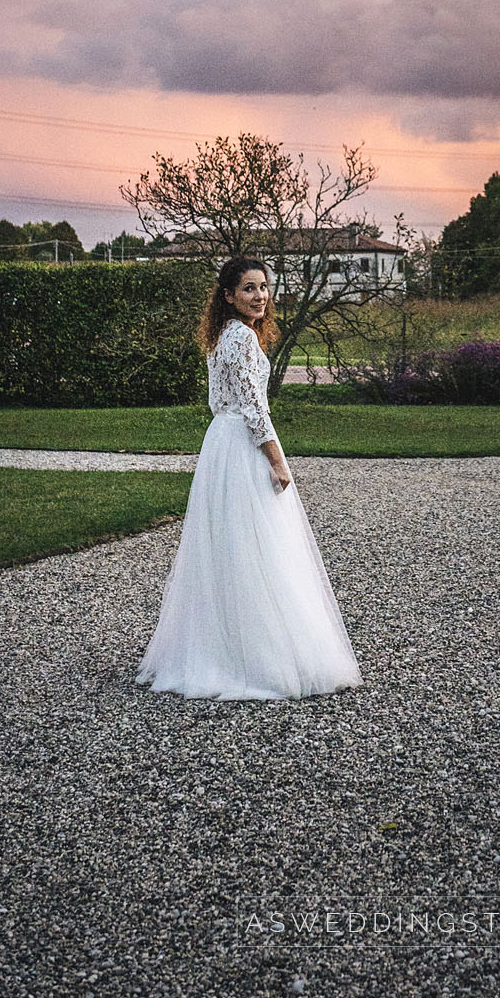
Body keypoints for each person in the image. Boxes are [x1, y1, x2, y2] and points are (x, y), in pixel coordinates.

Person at [136, 255, 362, 701]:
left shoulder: (225, 335)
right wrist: (278, 461)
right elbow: (255, 409)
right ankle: (255, 658)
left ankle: (223, 649)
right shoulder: (239, 338)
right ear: (228, 295)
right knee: (258, 547)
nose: (260, 296)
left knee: (231, 548)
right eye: (249, 289)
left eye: (264, 287)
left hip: (222, 443)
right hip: (240, 445)